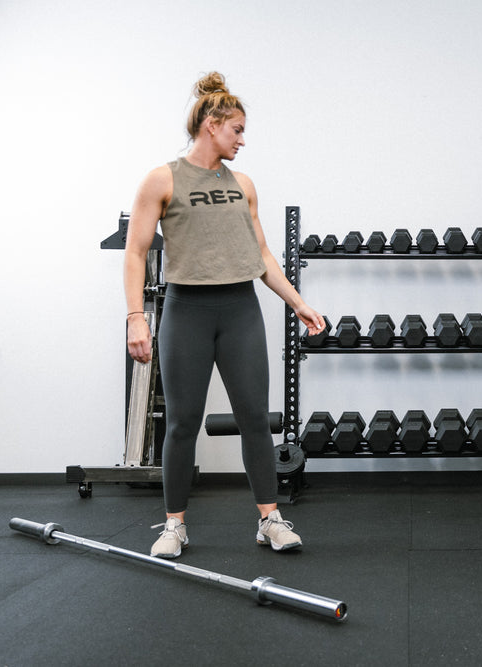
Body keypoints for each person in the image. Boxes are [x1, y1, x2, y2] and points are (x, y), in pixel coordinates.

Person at [124, 72, 325, 559]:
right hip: (187, 310)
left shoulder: (244, 185)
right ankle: (175, 526)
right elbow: (134, 253)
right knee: (182, 422)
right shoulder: (162, 179)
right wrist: (136, 316)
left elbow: (261, 255)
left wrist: (298, 302)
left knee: (255, 418)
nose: (241, 139)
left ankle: (269, 520)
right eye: (236, 129)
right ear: (211, 125)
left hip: (240, 310)